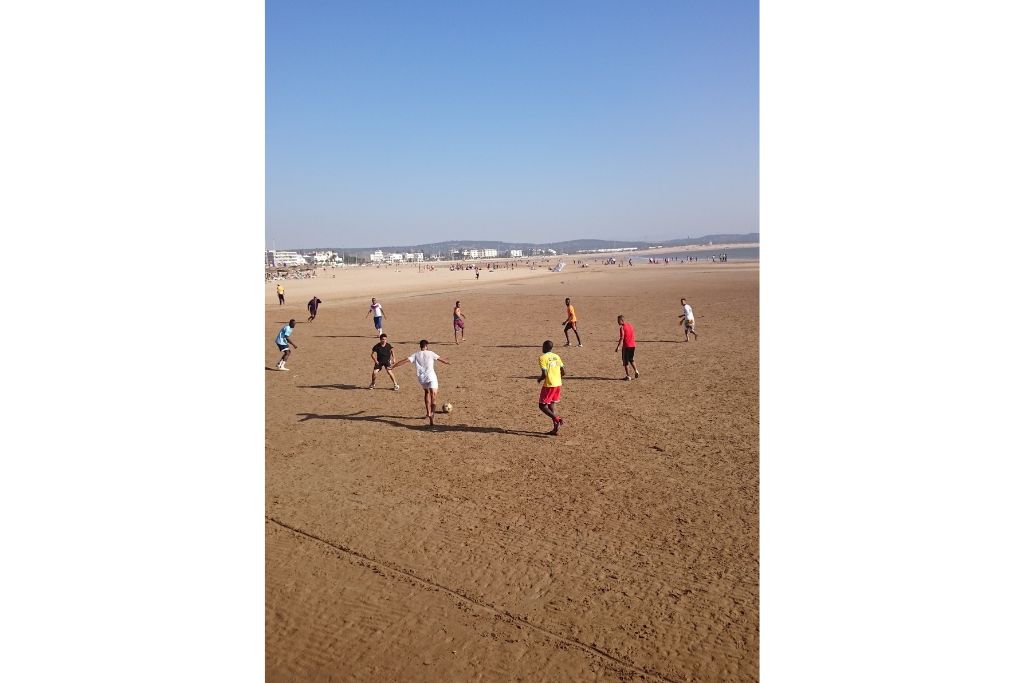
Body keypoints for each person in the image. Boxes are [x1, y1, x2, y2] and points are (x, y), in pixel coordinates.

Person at [392, 340, 451, 426]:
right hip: (431, 376)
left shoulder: (416, 354)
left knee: (427, 392)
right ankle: (432, 414)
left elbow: (405, 360)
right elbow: (442, 360)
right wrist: (447, 361)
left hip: (422, 378)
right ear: (426, 346)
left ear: (420, 346)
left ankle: (428, 412)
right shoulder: (431, 353)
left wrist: (394, 366)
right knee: (433, 395)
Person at [536, 340, 566, 436]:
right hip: (558, 384)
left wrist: (539, 379)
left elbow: (544, 374)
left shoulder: (542, 358)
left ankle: (557, 418)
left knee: (542, 406)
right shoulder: (557, 356)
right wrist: (557, 377)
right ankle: (555, 428)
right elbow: (563, 371)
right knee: (551, 406)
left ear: (544, 347)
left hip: (549, 385)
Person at [614, 314, 639, 380]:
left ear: (622, 320)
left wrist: (618, 347)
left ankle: (628, 376)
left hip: (626, 346)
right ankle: (636, 370)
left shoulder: (622, 328)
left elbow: (622, 337)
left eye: (618, 321)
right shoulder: (630, 325)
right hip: (633, 345)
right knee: (631, 359)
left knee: (625, 362)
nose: (617, 322)